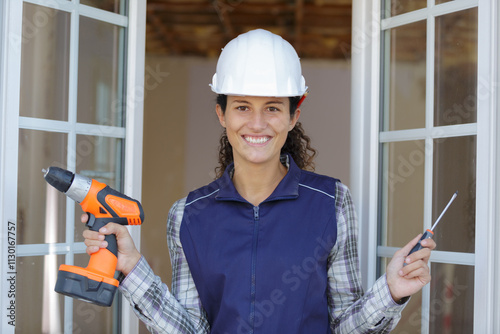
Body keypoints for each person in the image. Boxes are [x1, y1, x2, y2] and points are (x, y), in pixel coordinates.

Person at [82, 29, 435, 333]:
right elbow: (190, 328)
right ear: (221, 113)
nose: (256, 124)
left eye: (272, 107)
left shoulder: (331, 201)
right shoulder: (187, 215)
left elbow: (345, 325)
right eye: (242, 107)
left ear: (295, 113)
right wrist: (130, 267)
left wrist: (390, 291)